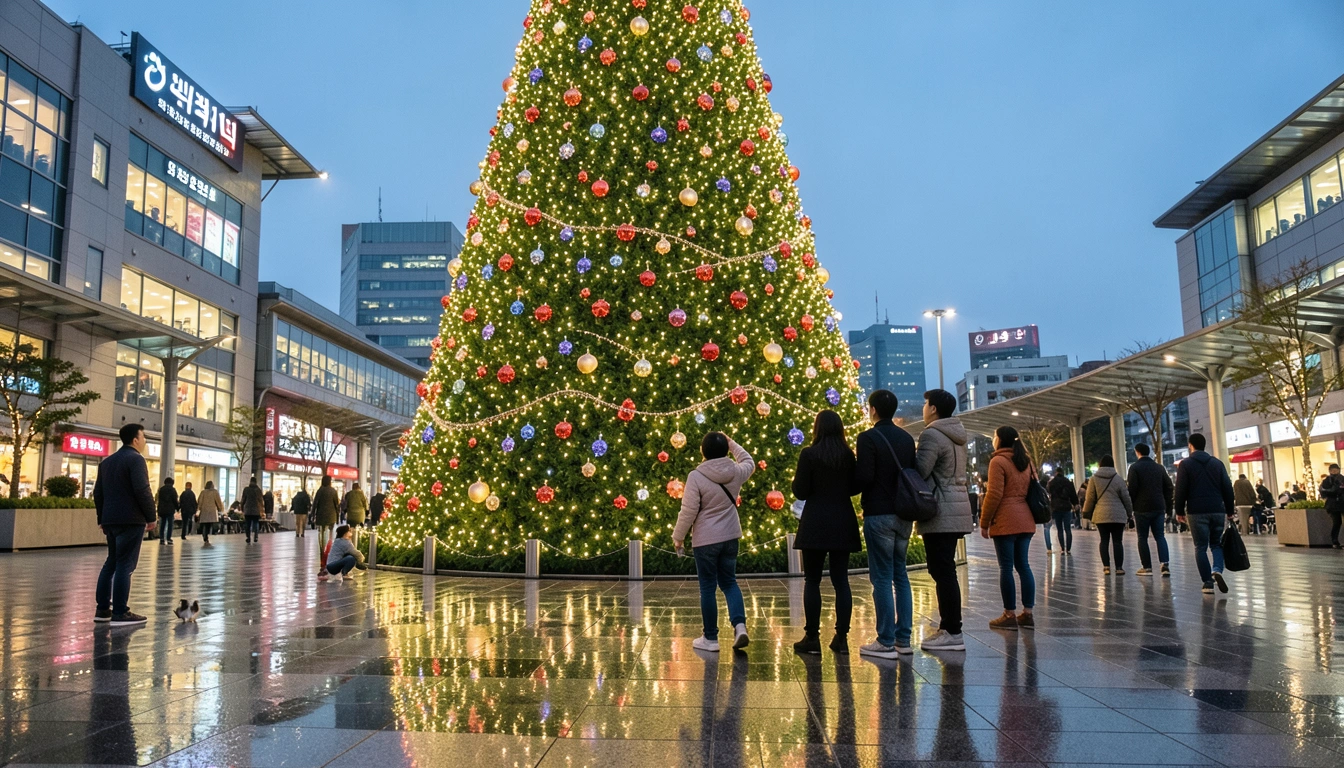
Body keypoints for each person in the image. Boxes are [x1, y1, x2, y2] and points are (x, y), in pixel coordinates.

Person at [673, 431, 755, 653]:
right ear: (726, 450)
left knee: (708, 587)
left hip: (706, 540)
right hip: (730, 536)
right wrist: (732, 443)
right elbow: (749, 461)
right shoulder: (737, 472)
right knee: (729, 582)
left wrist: (678, 537)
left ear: (703, 452)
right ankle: (740, 626)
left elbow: (688, 511)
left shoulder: (696, 476)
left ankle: (710, 638)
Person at [790, 410, 861, 655]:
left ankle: (812, 637)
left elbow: (800, 491)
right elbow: (854, 487)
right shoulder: (847, 455)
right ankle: (841, 637)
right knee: (841, 581)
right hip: (843, 519)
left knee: (813, 580)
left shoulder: (809, 454)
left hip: (815, 522)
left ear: (817, 428)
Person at [855, 389, 917, 657]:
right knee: (900, 574)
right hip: (905, 513)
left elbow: (865, 477)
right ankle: (903, 638)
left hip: (878, 514)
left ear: (873, 410)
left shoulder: (868, 438)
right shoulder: (905, 438)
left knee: (881, 577)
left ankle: (885, 640)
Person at [913, 389, 974, 652]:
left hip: (940, 509)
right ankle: (951, 627)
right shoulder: (958, 435)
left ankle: (951, 630)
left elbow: (920, 471)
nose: (924, 408)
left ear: (935, 408)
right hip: (957, 505)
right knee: (946, 570)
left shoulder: (932, 434)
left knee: (942, 571)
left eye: (926, 404)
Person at [93, 423, 157, 625]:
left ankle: (103, 610)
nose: (145, 441)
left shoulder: (107, 462)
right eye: (143, 437)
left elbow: (98, 493)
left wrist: (102, 518)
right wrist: (151, 516)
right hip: (131, 519)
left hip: (111, 520)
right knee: (125, 564)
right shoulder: (136, 459)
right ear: (135, 439)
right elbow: (142, 490)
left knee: (111, 561)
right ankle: (120, 611)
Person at [980, 425, 1036, 630]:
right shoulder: (1026, 461)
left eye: (994, 436)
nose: (993, 439)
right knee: (1024, 566)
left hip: (1005, 521)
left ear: (1000, 439)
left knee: (1006, 567)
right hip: (1025, 519)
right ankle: (1028, 613)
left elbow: (994, 494)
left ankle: (1009, 614)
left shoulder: (998, 461)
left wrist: (984, 522)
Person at [1174, 433, 1236, 595]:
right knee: (1216, 544)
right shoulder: (1217, 463)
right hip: (1217, 509)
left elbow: (1180, 489)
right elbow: (1227, 488)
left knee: (1200, 546)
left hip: (1196, 511)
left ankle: (1208, 583)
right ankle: (1217, 569)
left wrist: (1179, 511)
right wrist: (1229, 510)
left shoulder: (1185, 465)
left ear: (1190, 445)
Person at [1127, 443, 1173, 576]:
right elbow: (1169, 487)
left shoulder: (1134, 468)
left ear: (1137, 452)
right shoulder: (1159, 468)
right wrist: (1167, 504)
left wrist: (1131, 508)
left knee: (1142, 537)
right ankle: (1164, 565)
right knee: (1160, 536)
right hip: (1159, 506)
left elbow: (1132, 490)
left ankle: (1146, 567)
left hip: (1141, 508)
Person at [1083, 455, 1134, 575]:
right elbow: (1126, 498)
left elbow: (1090, 498)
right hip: (1118, 515)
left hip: (1101, 515)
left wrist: (1086, 512)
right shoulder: (1118, 479)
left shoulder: (1093, 479)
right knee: (1117, 541)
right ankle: (1119, 568)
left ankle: (1106, 567)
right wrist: (1129, 513)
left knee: (1104, 540)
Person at [313, 476, 341, 578]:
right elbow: (336, 505)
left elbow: (315, 504)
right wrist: (338, 517)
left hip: (320, 518)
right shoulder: (333, 491)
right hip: (331, 518)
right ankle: (328, 557)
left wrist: (312, 516)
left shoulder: (320, 491)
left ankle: (323, 559)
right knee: (330, 538)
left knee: (321, 540)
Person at [1046, 467, 1078, 555]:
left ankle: (1062, 549)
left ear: (1056, 473)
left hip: (1056, 508)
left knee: (1059, 529)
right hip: (1066, 507)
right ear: (1062, 472)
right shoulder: (1068, 482)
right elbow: (1073, 494)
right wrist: (1075, 503)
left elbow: (1049, 493)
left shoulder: (1052, 483)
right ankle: (1068, 548)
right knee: (1067, 529)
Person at [1319, 464, 1344, 549]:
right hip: (1332, 505)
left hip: (1341, 502)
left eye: (1336, 470)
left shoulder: (1342, 479)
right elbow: (1324, 491)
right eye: (1332, 470)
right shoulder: (1327, 480)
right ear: (1329, 471)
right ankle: (1335, 541)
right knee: (1337, 522)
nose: (1334, 472)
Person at [196, 480, 222, 544]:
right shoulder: (215, 492)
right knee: (211, 523)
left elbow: (199, 501)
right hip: (212, 510)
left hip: (204, 510)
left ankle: (205, 535)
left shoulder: (203, 492)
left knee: (205, 524)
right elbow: (218, 501)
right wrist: (220, 508)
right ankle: (211, 533)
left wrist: (199, 507)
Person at [155, 477, 178, 546]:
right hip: (170, 510)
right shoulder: (173, 490)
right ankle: (168, 538)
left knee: (162, 524)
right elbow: (175, 500)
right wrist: (177, 508)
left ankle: (162, 538)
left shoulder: (161, 490)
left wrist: (158, 510)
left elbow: (159, 500)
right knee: (170, 524)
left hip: (162, 509)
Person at [241, 478, 264, 544]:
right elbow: (261, 501)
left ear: (250, 481)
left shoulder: (246, 489)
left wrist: (242, 507)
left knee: (248, 524)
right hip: (256, 510)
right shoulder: (258, 490)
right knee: (256, 523)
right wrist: (262, 510)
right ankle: (256, 537)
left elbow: (243, 499)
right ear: (256, 482)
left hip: (248, 509)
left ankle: (248, 537)